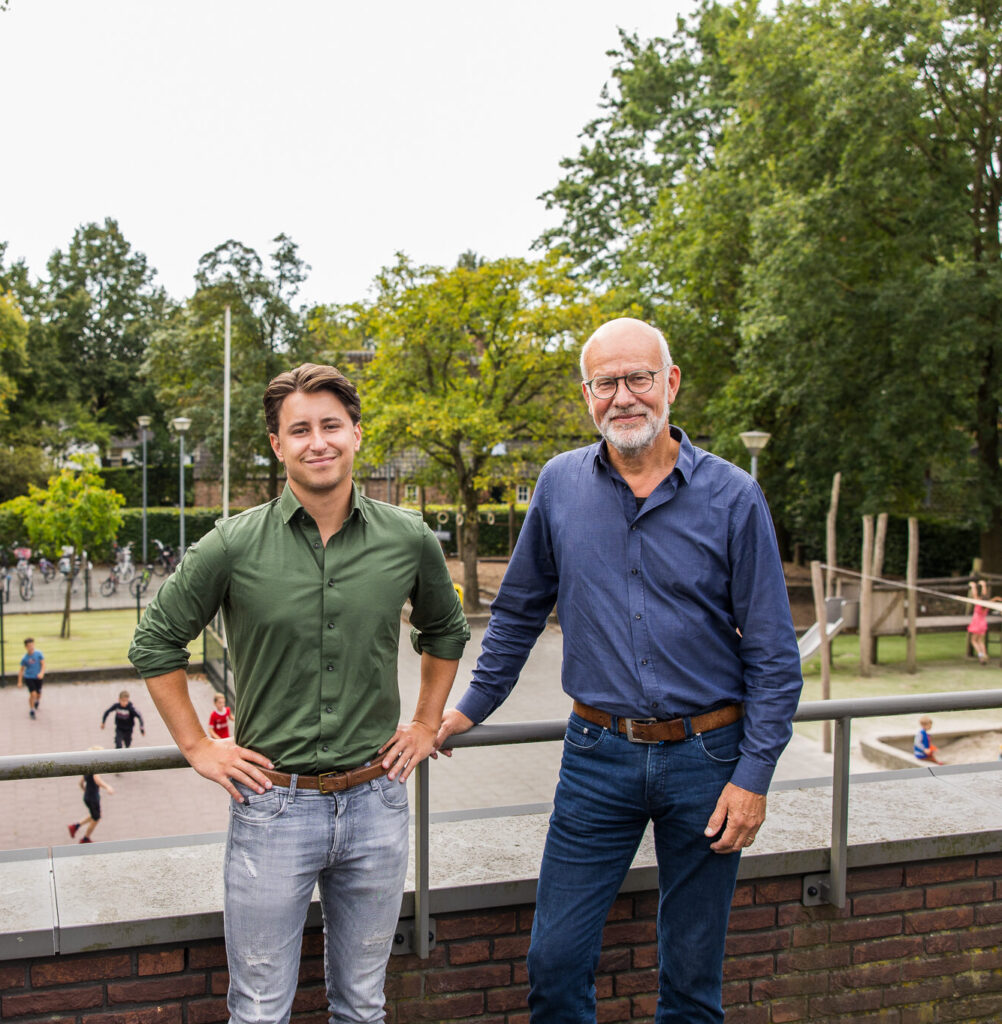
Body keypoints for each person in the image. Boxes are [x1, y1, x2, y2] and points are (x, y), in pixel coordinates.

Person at [435, 317, 803, 1023]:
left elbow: (774, 659)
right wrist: (466, 710)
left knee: (693, 980)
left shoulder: (731, 496)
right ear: (587, 393)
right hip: (596, 756)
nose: (624, 396)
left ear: (670, 384)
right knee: (554, 961)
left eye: (639, 377)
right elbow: (516, 615)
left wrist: (753, 778)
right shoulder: (559, 485)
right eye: (607, 382)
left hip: (710, 759)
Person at [128, 362, 469, 1024]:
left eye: (331, 426)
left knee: (364, 1006)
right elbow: (154, 643)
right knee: (258, 1011)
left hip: (377, 802)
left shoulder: (408, 538)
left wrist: (427, 724)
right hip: (272, 807)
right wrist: (198, 746)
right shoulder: (232, 543)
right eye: (300, 429)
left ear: (357, 435)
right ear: (278, 445)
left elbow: (446, 631)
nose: (319, 441)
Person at [68, 746, 114, 843]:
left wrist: (85, 791)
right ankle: (85, 838)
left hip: (87, 797)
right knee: (96, 818)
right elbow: (97, 780)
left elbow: (80, 783)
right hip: (93, 798)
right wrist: (107, 787)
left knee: (95, 815)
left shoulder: (87, 768)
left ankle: (75, 826)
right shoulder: (95, 768)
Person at [966, 579, 994, 665]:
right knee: (981, 641)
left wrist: (973, 586)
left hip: (976, 624)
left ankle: (981, 656)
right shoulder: (986, 605)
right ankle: (984, 654)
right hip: (983, 623)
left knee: (974, 641)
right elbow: (984, 595)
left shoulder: (978, 604)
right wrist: (984, 585)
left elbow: (975, 595)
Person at [17, 637, 45, 719]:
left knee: (38, 694)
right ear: (26, 647)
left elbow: (43, 664)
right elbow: (21, 670)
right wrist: (19, 682)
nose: (31, 647)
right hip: (29, 677)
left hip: (38, 677)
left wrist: (41, 673)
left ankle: (37, 701)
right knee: (33, 694)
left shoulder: (39, 654)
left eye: (32, 645)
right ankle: (32, 710)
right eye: (29, 646)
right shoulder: (25, 658)